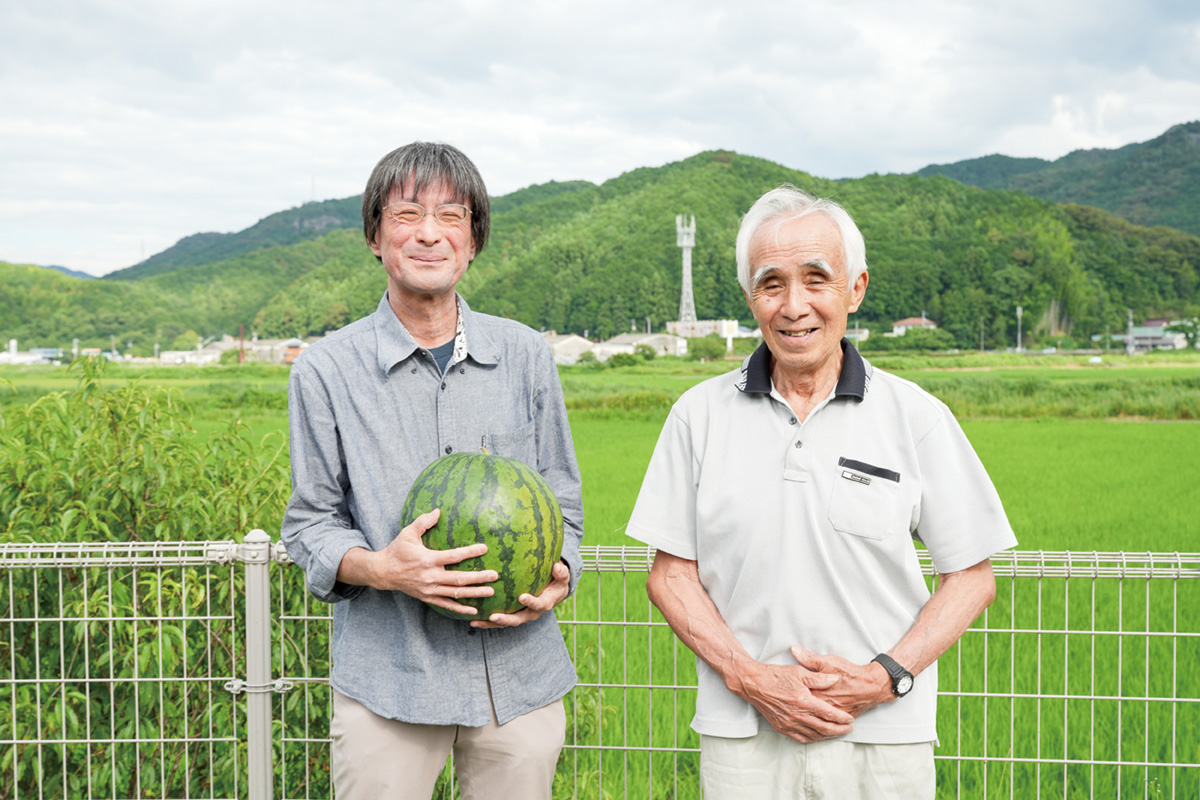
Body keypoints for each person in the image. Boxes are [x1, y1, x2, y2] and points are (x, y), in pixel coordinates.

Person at [625, 184, 1017, 799]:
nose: (793, 305)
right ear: (750, 297)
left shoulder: (915, 416)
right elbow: (670, 576)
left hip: (883, 735)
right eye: (771, 283)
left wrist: (885, 678)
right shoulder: (698, 415)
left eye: (816, 278)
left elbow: (972, 577)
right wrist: (750, 679)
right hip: (742, 733)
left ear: (855, 289)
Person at [281, 141, 584, 800]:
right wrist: (381, 568)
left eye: (451, 216)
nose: (428, 233)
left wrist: (561, 573)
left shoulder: (526, 356)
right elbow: (310, 525)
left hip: (518, 678)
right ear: (375, 237)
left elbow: (562, 504)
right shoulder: (326, 370)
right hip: (390, 678)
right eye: (407, 214)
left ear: (473, 239)